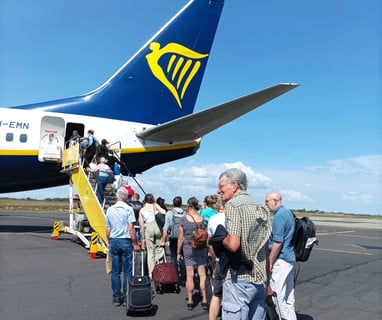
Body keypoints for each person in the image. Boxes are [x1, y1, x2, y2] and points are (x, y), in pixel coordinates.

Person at [217, 168, 271, 320]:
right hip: (259, 278)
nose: (218, 191)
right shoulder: (261, 207)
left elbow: (233, 244)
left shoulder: (233, 205)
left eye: (221, 187)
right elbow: (265, 249)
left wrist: (220, 238)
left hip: (239, 278)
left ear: (234, 186)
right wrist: (267, 279)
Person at [105, 187, 140, 306]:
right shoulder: (129, 209)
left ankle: (116, 296)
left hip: (114, 240)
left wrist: (108, 241)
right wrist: (135, 243)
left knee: (115, 271)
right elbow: (131, 228)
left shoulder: (110, 210)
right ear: (126, 197)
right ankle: (126, 295)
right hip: (125, 240)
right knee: (127, 270)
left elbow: (108, 229)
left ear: (117, 196)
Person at [265, 192, 297, 320]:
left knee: (276, 295)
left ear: (275, 201)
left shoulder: (279, 216)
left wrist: (270, 261)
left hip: (282, 259)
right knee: (289, 296)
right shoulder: (288, 213)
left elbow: (278, 242)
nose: (266, 204)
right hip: (290, 258)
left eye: (267, 201)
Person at [177, 197, 209, 311]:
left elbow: (180, 238)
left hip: (188, 248)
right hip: (201, 248)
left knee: (189, 275)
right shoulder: (202, 218)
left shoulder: (184, 219)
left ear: (188, 206)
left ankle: (190, 301)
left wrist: (178, 252)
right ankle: (205, 299)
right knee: (202, 274)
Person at [160, 196, 186, 286]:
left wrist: (163, 240)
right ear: (181, 203)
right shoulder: (185, 214)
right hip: (182, 238)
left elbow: (165, 228)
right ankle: (183, 278)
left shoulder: (170, 213)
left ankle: (175, 277)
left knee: (173, 257)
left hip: (173, 238)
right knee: (182, 257)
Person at [138, 193, 167, 277]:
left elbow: (141, 225)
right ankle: (160, 270)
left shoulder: (142, 210)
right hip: (157, 226)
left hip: (148, 227)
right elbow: (164, 212)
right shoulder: (155, 205)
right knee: (159, 249)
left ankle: (151, 273)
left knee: (150, 252)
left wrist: (142, 237)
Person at [207, 201, 225, 320]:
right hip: (232, 261)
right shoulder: (234, 218)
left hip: (219, 259)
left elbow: (210, 241)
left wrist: (213, 257)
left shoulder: (213, 219)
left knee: (216, 294)